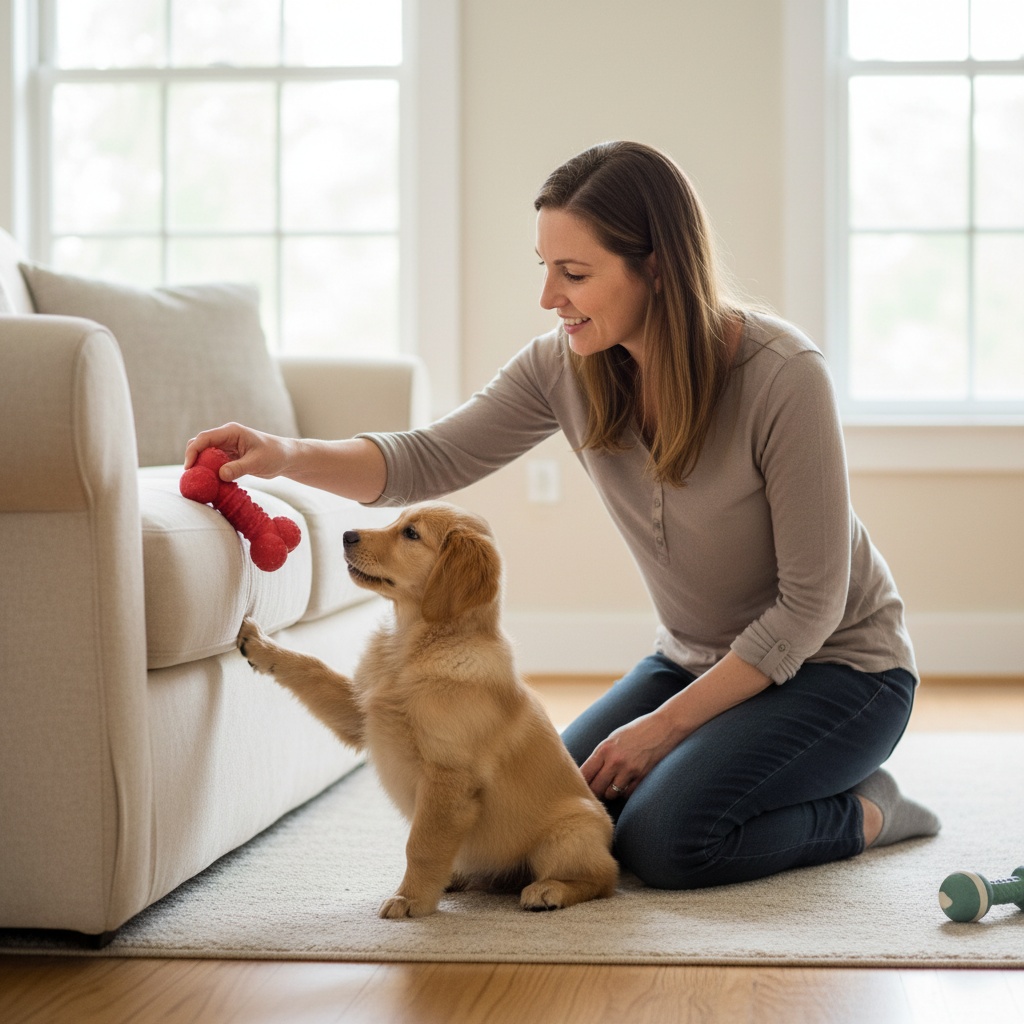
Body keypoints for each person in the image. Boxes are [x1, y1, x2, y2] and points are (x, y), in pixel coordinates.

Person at [184, 140, 939, 890]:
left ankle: (869, 812)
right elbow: (425, 457)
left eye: (574, 274)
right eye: (544, 268)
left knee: (670, 842)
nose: (550, 297)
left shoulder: (782, 376)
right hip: (694, 657)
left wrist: (663, 728)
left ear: (658, 268)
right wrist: (283, 453)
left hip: (841, 669)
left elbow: (812, 609)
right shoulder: (566, 365)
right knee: (536, 818)